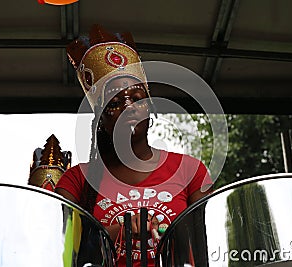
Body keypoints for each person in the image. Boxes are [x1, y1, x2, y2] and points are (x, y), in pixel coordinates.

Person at [55, 24, 213, 266]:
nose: (128, 106)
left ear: (150, 106)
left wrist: (163, 230)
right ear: (100, 118)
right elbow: (63, 256)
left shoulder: (191, 170)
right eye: (115, 102)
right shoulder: (77, 180)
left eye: (137, 98)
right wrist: (117, 231)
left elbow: (208, 249)